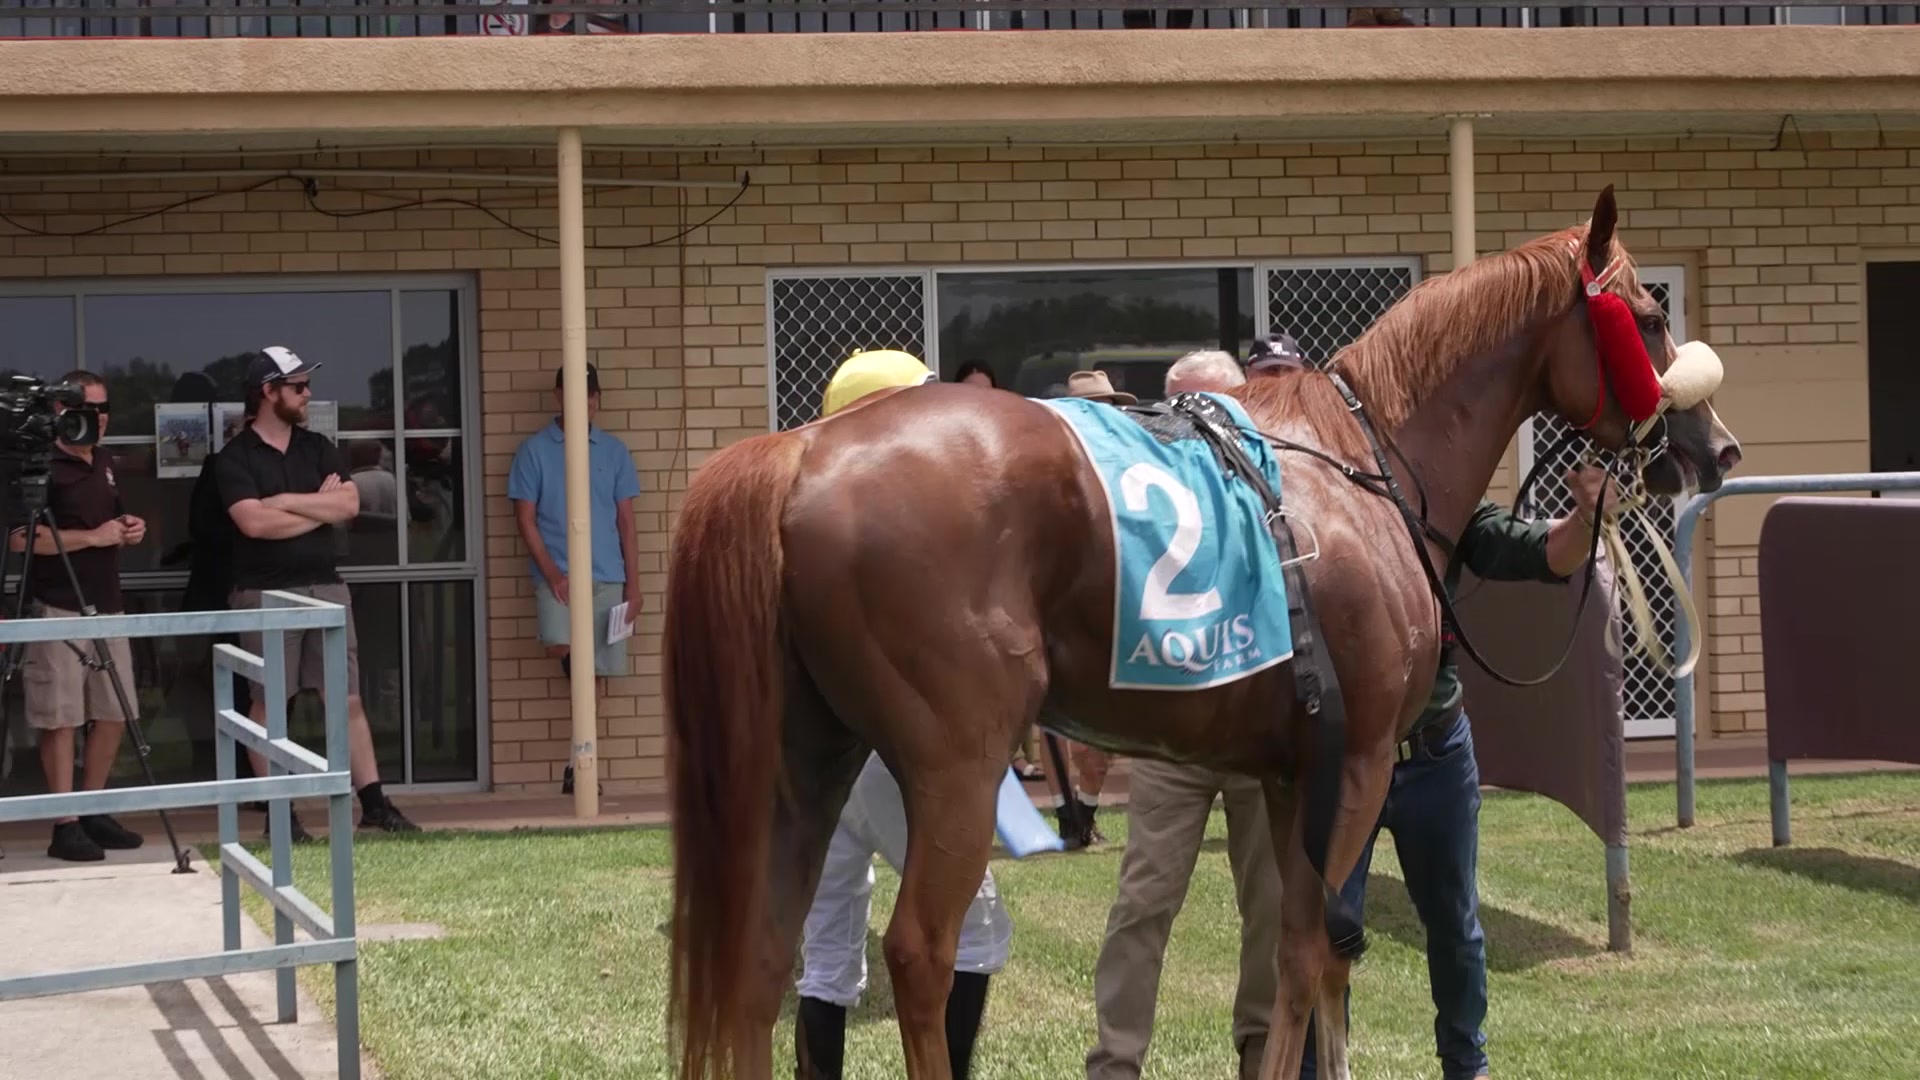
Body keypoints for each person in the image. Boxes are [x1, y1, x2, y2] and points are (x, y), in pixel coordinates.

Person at [1298, 467, 1612, 1080]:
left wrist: (1589, 517)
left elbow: (1548, 553)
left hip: (1434, 753)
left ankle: (1467, 1066)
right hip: (1344, 760)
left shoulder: (1441, 505)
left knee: (1455, 927)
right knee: (1326, 928)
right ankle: (1315, 1069)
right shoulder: (1327, 501)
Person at [794, 349, 1005, 1080]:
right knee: (976, 929)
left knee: (827, 951)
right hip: (891, 756)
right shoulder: (909, 523)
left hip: (819, 759)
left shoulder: (811, 510)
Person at [1085, 349, 1283, 1080]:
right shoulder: (1147, 498)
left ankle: (1263, 1049)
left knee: (1272, 903)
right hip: (1174, 736)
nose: (1200, 424)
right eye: (1182, 411)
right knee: (1143, 899)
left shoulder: (1276, 481)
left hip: (1258, 731)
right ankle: (1116, 1063)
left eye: (1217, 408)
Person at [215, 346, 418, 837]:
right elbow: (253, 523)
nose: (308, 394)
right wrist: (314, 509)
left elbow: (347, 505)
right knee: (271, 703)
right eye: (298, 386)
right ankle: (280, 816)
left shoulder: (319, 447)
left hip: (326, 587)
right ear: (269, 392)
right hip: (264, 593)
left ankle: (374, 805)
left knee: (345, 699)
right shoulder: (234, 458)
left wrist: (284, 501)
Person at [10, 370, 147, 862]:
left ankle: (92, 809)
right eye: (90, 409)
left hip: (107, 605)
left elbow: (111, 519)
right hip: (57, 606)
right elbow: (21, 539)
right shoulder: (40, 463)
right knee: (60, 719)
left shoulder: (104, 460)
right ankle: (64, 822)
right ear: (62, 410)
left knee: (115, 713)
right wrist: (92, 537)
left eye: (105, 408)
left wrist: (130, 527)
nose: (100, 418)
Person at [507, 361, 643, 796]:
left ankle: (577, 766)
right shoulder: (533, 451)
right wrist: (552, 573)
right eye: (574, 394)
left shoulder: (615, 452)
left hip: (608, 577)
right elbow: (524, 519)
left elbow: (627, 523)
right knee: (563, 648)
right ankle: (579, 762)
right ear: (557, 397)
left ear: (597, 400)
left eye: (591, 395)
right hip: (557, 578)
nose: (584, 402)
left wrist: (634, 585)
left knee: (596, 672)